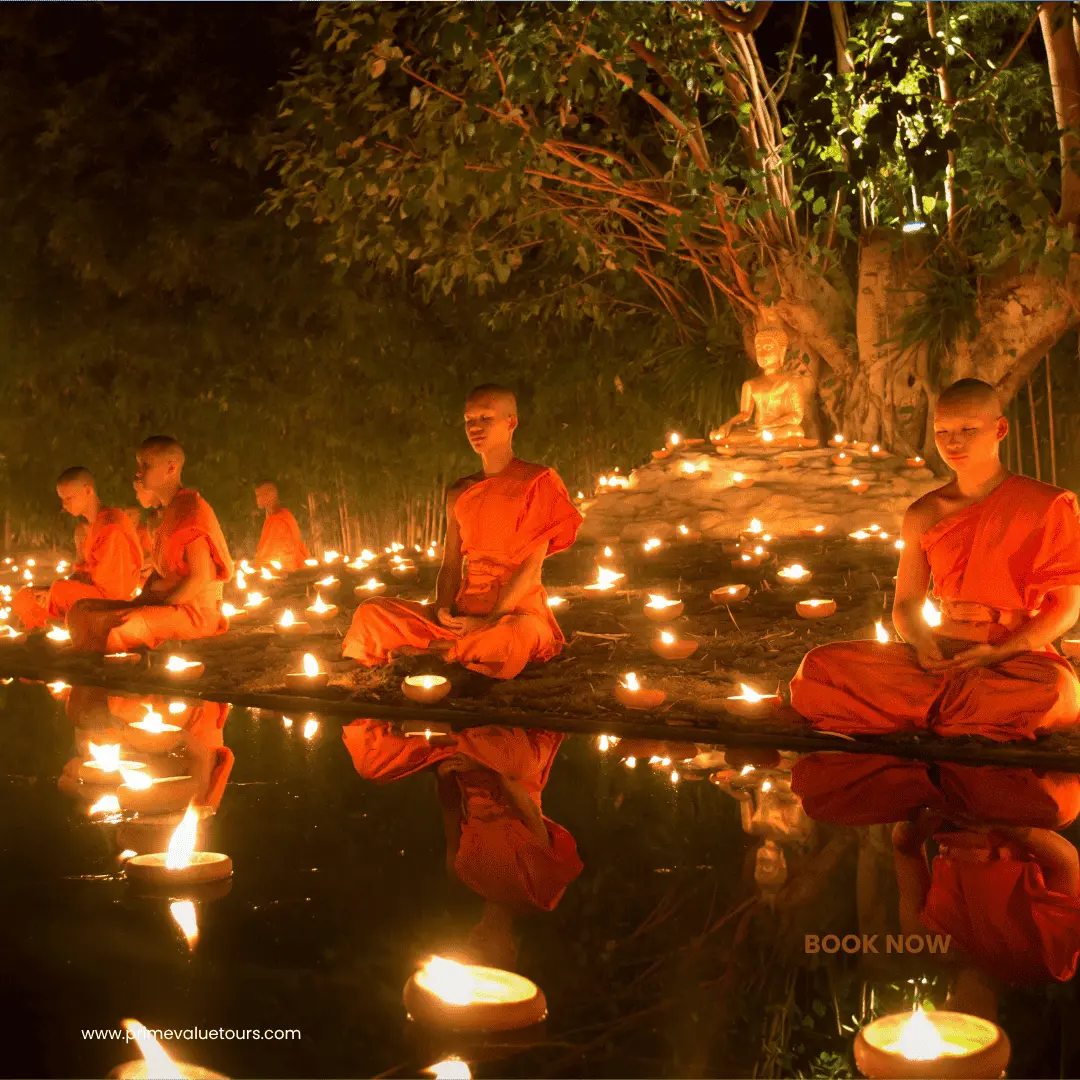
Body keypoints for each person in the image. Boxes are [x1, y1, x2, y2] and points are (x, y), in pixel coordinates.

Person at [790, 378, 1080, 741]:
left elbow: (1065, 608)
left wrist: (998, 652)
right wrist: (924, 644)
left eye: (968, 429)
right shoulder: (924, 513)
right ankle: (959, 717)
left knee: (1053, 690)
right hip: (941, 651)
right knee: (821, 666)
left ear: (999, 429)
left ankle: (924, 714)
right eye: (942, 431)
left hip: (1014, 657)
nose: (953, 442)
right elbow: (908, 603)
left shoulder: (1048, 504)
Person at [342, 385, 582, 680]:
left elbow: (531, 569)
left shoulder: (536, 482)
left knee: (511, 637)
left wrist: (490, 620)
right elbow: (451, 564)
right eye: (469, 420)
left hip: (516, 614)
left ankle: (438, 652)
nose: (475, 428)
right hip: (463, 610)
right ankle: (450, 647)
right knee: (371, 612)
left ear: (512, 421)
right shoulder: (460, 491)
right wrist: (444, 608)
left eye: (486, 418)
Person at [342, 720, 582, 969]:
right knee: (513, 760)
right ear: (512, 950)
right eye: (488, 952)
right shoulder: (538, 895)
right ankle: (462, 737)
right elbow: (529, 811)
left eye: (472, 949)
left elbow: (451, 811)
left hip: (468, 772)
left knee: (373, 765)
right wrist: (486, 767)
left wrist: (445, 777)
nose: (476, 943)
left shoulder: (462, 878)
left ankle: (447, 731)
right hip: (512, 772)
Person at [67, 436, 234, 653]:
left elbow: (200, 577)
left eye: (145, 466)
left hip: (192, 611)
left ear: (171, 468)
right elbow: (160, 570)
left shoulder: (190, 511)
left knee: (126, 625)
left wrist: (159, 606)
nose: (138, 472)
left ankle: (116, 665)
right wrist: (142, 600)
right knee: (80, 611)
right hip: (164, 603)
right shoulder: (165, 514)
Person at [11, 467, 142, 631]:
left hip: (111, 602)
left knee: (56, 592)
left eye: (68, 498)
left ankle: (45, 625)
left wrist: (58, 592)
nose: (64, 505)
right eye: (62, 499)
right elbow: (84, 571)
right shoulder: (92, 526)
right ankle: (49, 620)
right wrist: (51, 590)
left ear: (88, 491)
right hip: (94, 593)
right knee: (26, 595)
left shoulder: (111, 526)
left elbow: (113, 593)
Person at [253, 480, 310, 571]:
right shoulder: (274, 518)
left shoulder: (280, 521)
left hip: (286, 571)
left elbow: (282, 554)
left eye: (259, 495)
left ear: (269, 496)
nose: (257, 499)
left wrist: (260, 565)